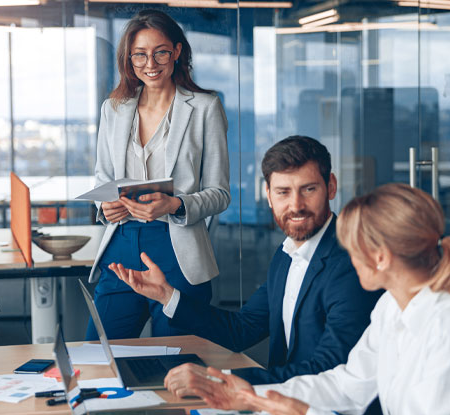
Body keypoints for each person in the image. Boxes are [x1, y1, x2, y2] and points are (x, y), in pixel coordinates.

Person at [187, 184, 450, 415]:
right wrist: (255, 396)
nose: (347, 258)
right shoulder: (392, 305)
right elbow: (347, 384)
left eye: (352, 247)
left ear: (382, 257)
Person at [111, 136, 382, 391]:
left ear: (331, 186)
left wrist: (220, 381)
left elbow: (329, 370)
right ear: (268, 194)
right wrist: (166, 295)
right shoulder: (287, 254)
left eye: (308, 189)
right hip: (286, 402)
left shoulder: (351, 264)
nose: (296, 205)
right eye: (283, 192)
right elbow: (242, 330)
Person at [86, 9, 230, 340]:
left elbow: (219, 193)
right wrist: (105, 206)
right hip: (121, 248)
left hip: (178, 253)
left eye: (160, 52)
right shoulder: (114, 108)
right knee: (100, 355)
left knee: (177, 360)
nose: (150, 63)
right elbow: (102, 178)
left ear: (177, 52)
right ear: (129, 58)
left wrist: (174, 205)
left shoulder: (205, 108)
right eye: (140, 55)